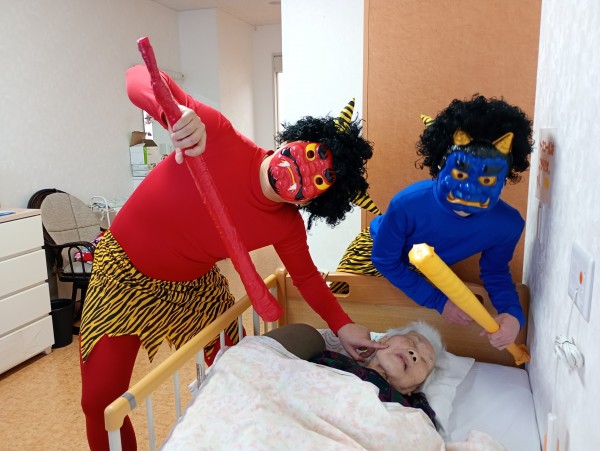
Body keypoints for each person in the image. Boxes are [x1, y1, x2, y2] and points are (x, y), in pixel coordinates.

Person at [79, 65, 386, 451]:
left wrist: (343, 326)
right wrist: (173, 115)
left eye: (320, 180)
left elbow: (308, 278)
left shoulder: (286, 226)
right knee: (99, 403)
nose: (303, 170)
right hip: (122, 276)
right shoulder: (215, 133)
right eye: (312, 153)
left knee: (245, 369)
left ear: (315, 200)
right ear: (297, 138)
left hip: (193, 288)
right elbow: (136, 76)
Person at [331, 94, 534, 351]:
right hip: (370, 257)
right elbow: (384, 259)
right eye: (460, 174)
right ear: (440, 167)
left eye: (486, 180)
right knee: (346, 328)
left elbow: (495, 272)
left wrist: (513, 314)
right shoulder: (407, 203)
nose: (470, 189)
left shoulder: (507, 224)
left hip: (425, 271)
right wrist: (438, 301)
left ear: (504, 180)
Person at [265, 322, 444, 425]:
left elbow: (423, 438)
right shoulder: (333, 360)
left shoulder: (413, 408)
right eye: (412, 341)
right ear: (383, 340)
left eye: (424, 361)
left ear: (413, 388)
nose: (414, 354)